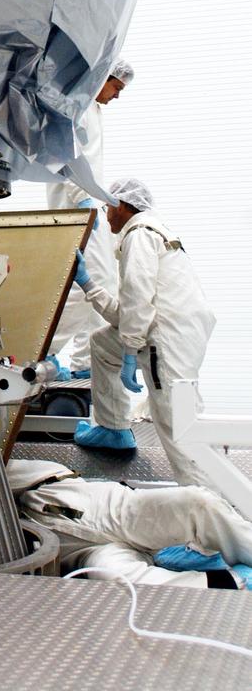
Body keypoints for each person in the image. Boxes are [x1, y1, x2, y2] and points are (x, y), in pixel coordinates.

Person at [72, 178, 216, 486]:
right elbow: (127, 314)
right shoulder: (150, 233)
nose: (106, 214)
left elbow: (137, 299)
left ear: (122, 205)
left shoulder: (139, 234)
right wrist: (89, 285)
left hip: (165, 341)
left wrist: (130, 349)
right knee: (101, 343)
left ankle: (203, 511)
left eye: (107, 206)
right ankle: (113, 429)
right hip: (168, 330)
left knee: (177, 425)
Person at [9, 458, 252, 591]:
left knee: (196, 503)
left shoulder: (19, 475)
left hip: (108, 510)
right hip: (83, 552)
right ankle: (236, 583)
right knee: (117, 582)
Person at [47, 58, 134, 377]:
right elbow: (63, 156)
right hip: (78, 207)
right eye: (117, 86)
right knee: (90, 284)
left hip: (89, 205)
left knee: (100, 285)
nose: (117, 95)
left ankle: (86, 361)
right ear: (101, 77)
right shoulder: (76, 108)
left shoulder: (92, 111)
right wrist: (81, 198)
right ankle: (43, 349)